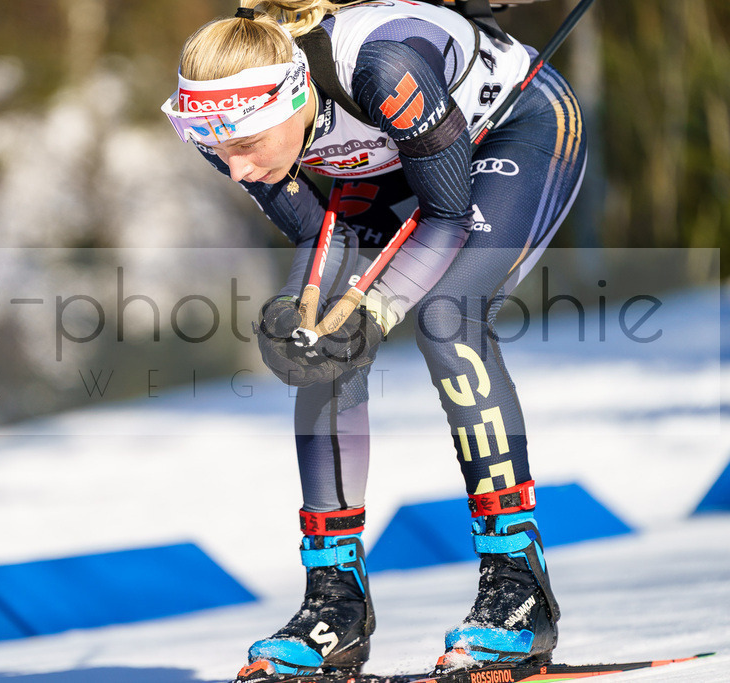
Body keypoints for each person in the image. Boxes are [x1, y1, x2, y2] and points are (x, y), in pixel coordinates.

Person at [161, 0, 586, 679]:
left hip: (513, 131)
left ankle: (518, 588)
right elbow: (315, 235)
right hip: (389, 157)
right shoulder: (237, 133)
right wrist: (290, 315)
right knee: (321, 350)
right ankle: (335, 604)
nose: (234, 168)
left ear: (293, 97)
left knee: (450, 316)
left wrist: (378, 310)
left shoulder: (380, 70)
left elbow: (445, 216)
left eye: (243, 144)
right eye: (212, 144)